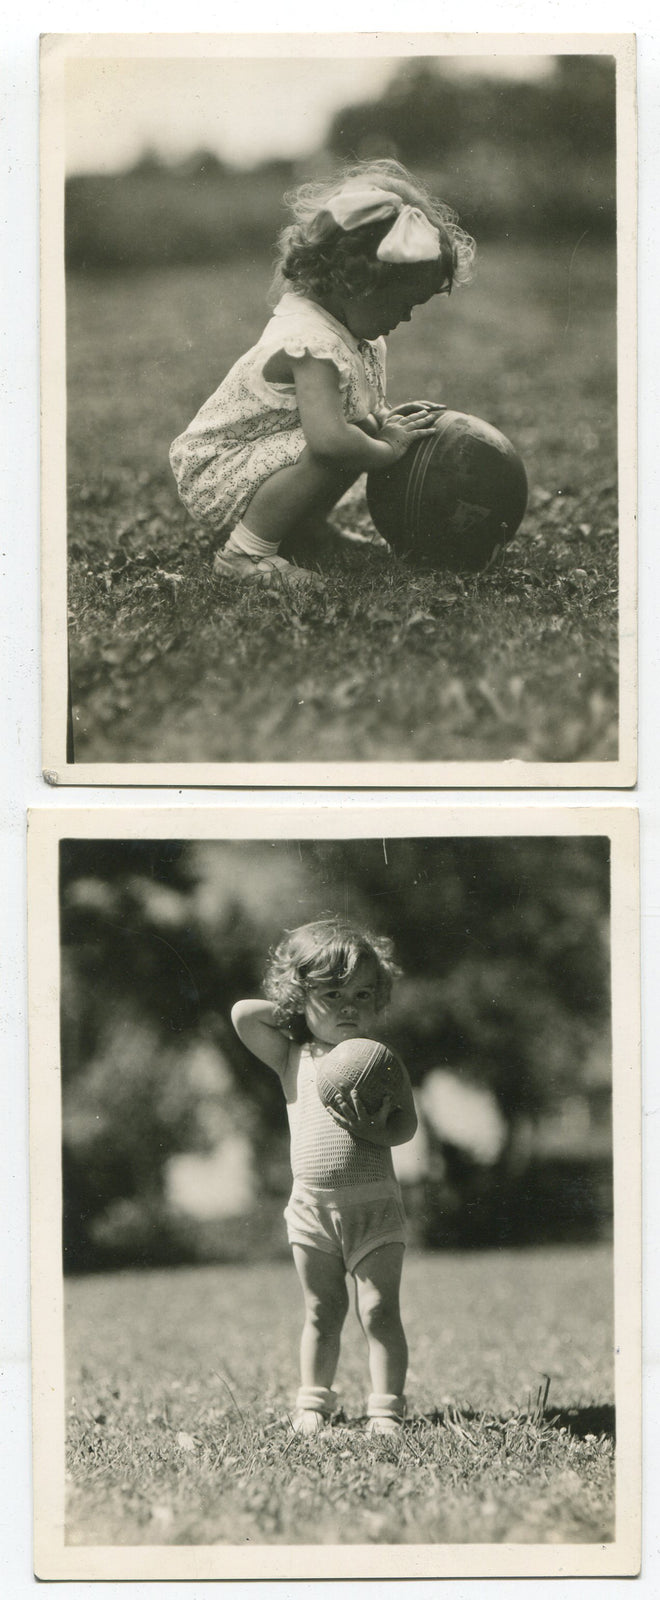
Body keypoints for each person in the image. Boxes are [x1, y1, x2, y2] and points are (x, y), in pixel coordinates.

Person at [170, 159, 475, 586]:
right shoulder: (311, 342)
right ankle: (245, 554)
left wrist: (388, 422)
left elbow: (354, 416)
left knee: (362, 429)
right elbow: (330, 442)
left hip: (258, 464)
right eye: (402, 303)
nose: (406, 317)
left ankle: (306, 531)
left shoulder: (355, 334)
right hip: (219, 473)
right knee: (340, 443)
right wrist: (387, 449)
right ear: (356, 284)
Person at [231, 918, 418, 1436]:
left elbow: (407, 1126)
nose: (348, 1006)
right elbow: (243, 1015)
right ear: (302, 996)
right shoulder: (291, 1056)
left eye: (362, 994)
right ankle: (313, 1404)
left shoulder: (379, 1062)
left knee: (378, 1311)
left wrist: (379, 1128)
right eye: (332, 994)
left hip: (373, 1208)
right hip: (312, 1210)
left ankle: (386, 1410)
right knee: (322, 1310)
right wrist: (295, 1011)